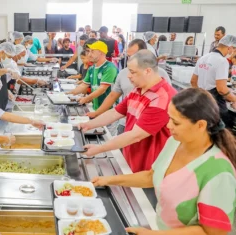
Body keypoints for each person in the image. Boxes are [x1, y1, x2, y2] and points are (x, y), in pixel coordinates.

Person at [93, 88, 236, 235]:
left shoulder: (219, 172)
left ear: (200, 125)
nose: (168, 126)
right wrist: (107, 180)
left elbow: (213, 232)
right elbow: (152, 176)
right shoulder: (175, 142)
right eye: (169, 118)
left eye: (176, 122)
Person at [79, 50, 177, 172]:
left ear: (147, 71)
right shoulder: (138, 90)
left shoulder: (162, 98)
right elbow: (115, 112)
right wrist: (87, 124)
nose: (128, 76)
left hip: (150, 168)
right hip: (132, 158)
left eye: (132, 72)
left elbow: (135, 135)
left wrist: (100, 148)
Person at [86, 39, 172, 136]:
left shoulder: (161, 78)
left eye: (134, 55)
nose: (129, 76)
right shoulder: (130, 83)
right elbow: (114, 101)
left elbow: (136, 136)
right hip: (126, 122)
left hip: (150, 127)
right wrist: (94, 116)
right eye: (129, 56)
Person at [191, 35, 236, 129]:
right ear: (230, 47)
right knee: (221, 133)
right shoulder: (222, 61)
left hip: (203, 102)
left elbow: (193, 81)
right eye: (233, 49)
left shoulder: (203, 58)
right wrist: (234, 99)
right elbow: (221, 90)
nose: (232, 52)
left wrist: (202, 96)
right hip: (216, 106)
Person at [67, 41, 117, 110]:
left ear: (101, 53)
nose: (89, 55)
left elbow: (102, 89)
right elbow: (83, 85)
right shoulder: (91, 69)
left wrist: (86, 98)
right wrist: (68, 94)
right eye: (89, 51)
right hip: (96, 107)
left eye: (92, 52)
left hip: (109, 109)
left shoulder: (109, 67)